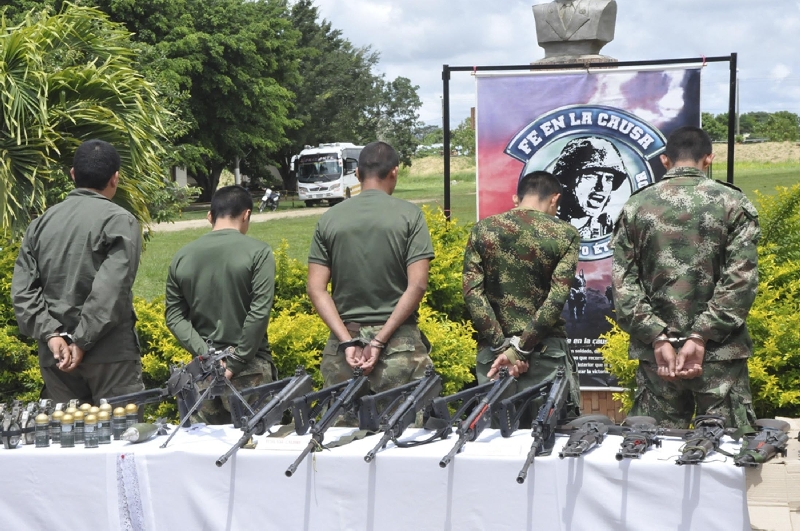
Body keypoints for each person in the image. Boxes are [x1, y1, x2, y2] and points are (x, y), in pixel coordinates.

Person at [611, 126, 760, 430]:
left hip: (659, 358)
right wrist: (701, 335)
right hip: (719, 355)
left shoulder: (636, 206)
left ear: (665, 160)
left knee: (652, 455)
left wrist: (656, 336)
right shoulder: (732, 203)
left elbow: (622, 284)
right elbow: (741, 279)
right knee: (726, 454)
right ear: (709, 158)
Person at [12, 139, 144, 404]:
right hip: (110, 357)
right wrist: (81, 342)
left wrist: (51, 335)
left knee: (67, 439)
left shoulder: (40, 224)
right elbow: (112, 291)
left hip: (56, 358)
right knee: (120, 440)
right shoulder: (119, 220)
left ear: (73, 174)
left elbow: (23, 292)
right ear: (115, 179)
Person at [307, 141, 434, 394]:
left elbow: (315, 288)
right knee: (404, 429)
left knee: (341, 429)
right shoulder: (410, 216)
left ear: (357, 174)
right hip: (399, 346)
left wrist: (346, 342)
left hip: (345, 347)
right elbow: (418, 284)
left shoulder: (329, 218)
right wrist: (378, 341)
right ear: (394, 172)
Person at [463, 170, 582, 419]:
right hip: (544, 354)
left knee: (495, 444)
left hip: (494, 358)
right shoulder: (565, 234)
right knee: (549, 441)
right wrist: (520, 349)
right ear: (554, 199)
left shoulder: (483, 230)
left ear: (518, 197)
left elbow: (473, 292)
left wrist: (501, 346)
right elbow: (556, 299)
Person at [165, 185, 276, 425]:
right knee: (256, 451)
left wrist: (206, 355)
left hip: (202, 373)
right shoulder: (259, 252)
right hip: (250, 369)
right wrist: (235, 362)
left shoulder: (182, 256)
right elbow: (259, 312)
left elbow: (174, 315)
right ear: (246, 214)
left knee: (204, 454)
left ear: (210, 216)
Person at [552, 136, 629, 239]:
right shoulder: (547, 223)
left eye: (609, 179)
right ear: (567, 180)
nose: (601, 187)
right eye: (591, 176)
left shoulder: (606, 227)